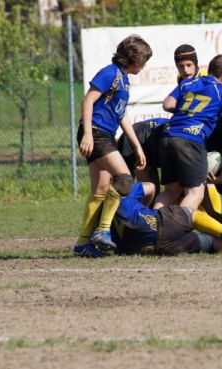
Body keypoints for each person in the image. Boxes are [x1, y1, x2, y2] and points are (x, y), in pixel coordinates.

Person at [74, 35, 152, 258]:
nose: (144, 65)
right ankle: (102, 230)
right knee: (125, 179)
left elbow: (121, 115)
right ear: (132, 60)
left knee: (100, 189)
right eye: (143, 61)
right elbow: (88, 100)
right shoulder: (110, 73)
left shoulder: (123, 80)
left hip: (105, 133)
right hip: (97, 133)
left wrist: (137, 146)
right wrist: (88, 134)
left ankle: (82, 244)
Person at [156, 54, 222, 211]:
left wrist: (187, 111)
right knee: (195, 193)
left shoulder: (188, 82)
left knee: (171, 191)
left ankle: (153, 227)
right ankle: (177, 228)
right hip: (190, 139)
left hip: (168, 135)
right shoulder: (220, 90)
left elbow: (167, 104)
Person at [112, 182, 222, 255]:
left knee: (213, 244)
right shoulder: (122, 199)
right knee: (190, 213)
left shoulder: (106, 231)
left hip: (154, 248)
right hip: (159, 223)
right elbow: (150, 186)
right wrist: (145, 205)